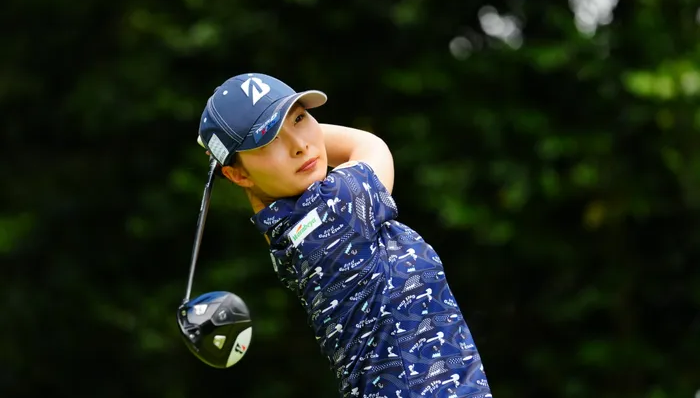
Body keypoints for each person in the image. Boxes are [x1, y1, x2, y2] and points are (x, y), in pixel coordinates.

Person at [197, 73, 493, 398]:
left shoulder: (283, 228)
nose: (300, 146)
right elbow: (368, 145)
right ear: (237, 175)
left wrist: (236, 148)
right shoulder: (336, 209)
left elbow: (266, 182)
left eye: (299, 118)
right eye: (270, 140)